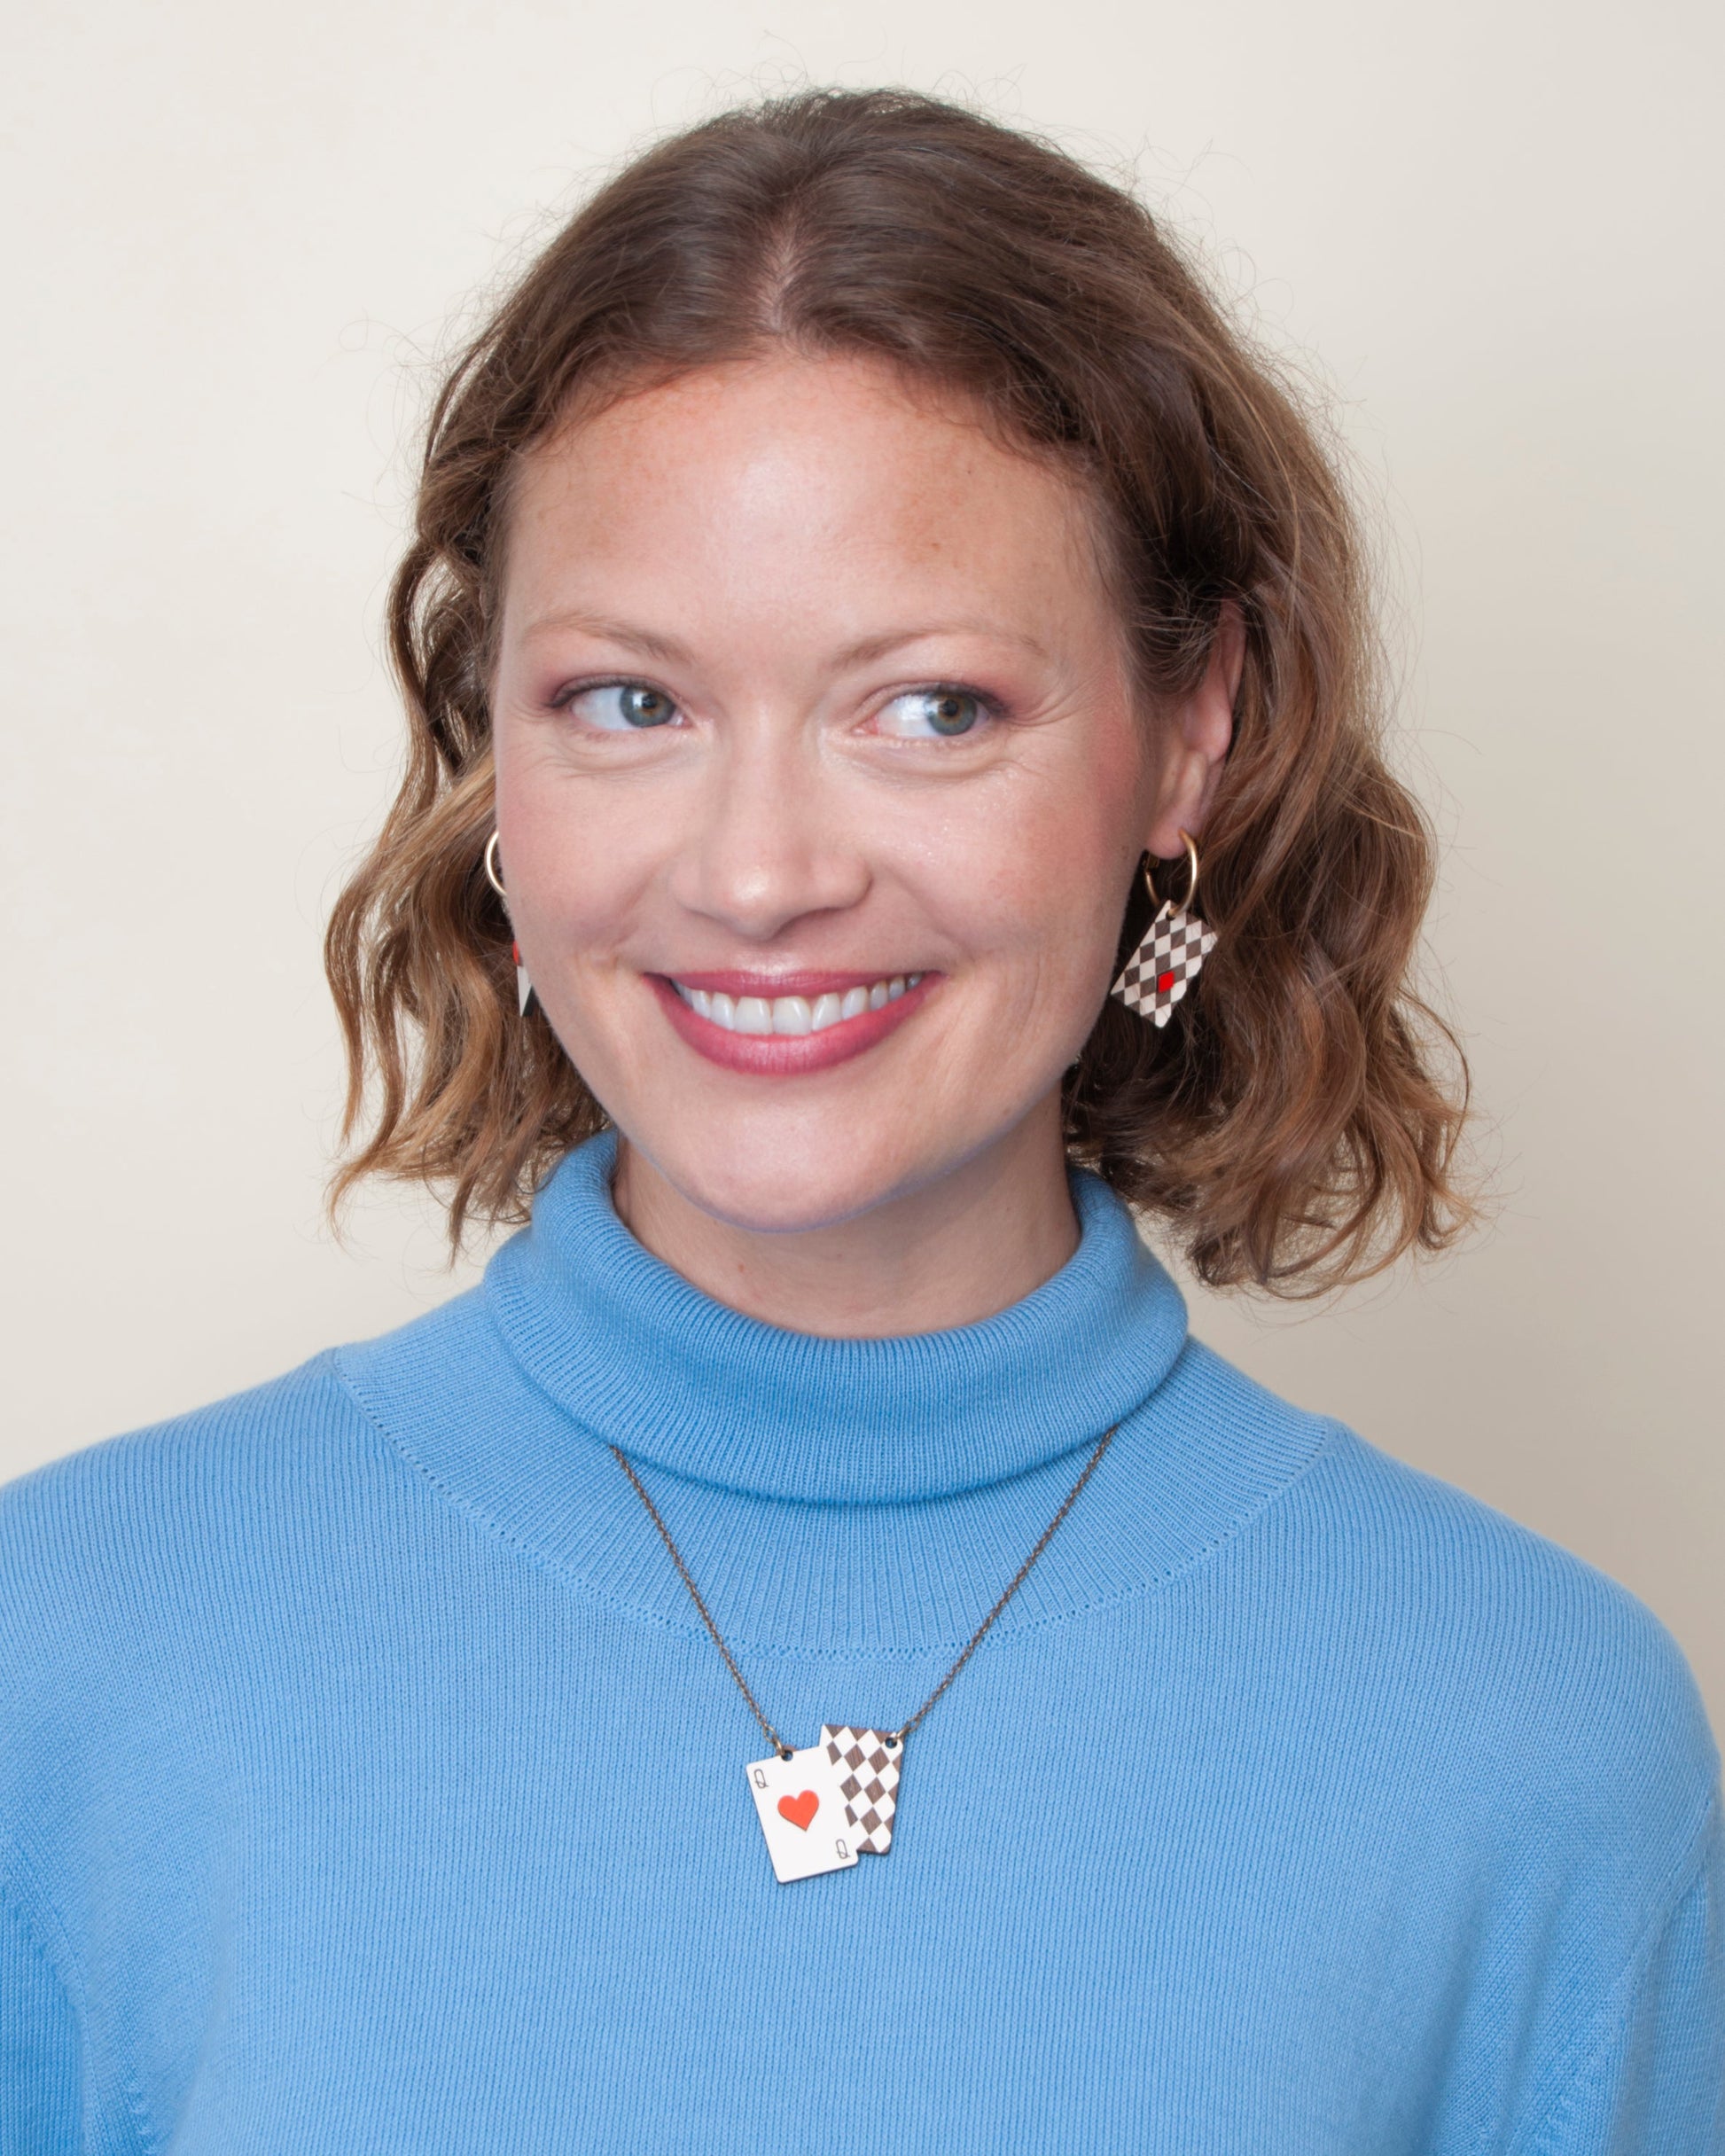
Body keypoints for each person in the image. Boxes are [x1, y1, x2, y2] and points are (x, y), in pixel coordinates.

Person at [2, 88, 1718, 2154]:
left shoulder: (1529, 1741)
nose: (759, 874)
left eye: (932, 708)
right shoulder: (68, 1651)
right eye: (629, 701)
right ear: (490, 748)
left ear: (1192, 730)